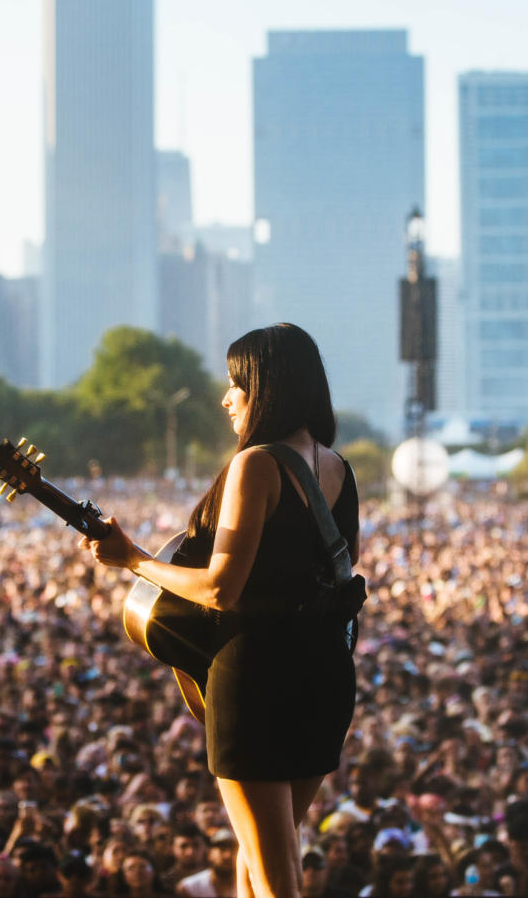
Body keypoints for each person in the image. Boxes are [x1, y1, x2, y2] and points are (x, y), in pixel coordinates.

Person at [86, 324, 360, 898]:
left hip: (257, 678)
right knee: (260, 853)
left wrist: (132, 558)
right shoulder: (336, 466)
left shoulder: (257, 464)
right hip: (325, 677)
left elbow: (220, 587)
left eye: (236, 384)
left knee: (274, 875)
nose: (226, 398)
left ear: (265, 387)